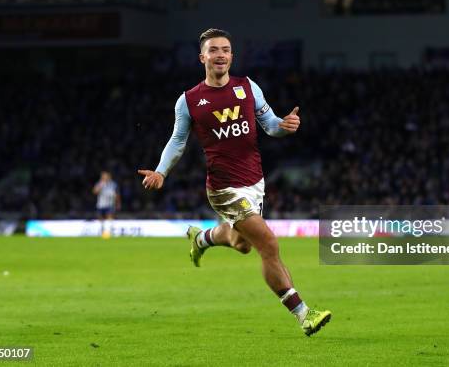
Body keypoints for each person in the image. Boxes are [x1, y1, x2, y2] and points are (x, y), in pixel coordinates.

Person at [138, 28, 331, 336]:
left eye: (225, 50)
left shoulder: (247, 87)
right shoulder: (189, 100)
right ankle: (304, 314)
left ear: (231, 56)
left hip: (255, 182)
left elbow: (269, 125)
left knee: (242, 244)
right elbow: (177, 140)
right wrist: (161, 171)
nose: (220, 55)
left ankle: (201, 239)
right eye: (214, 50)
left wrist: (284, 125)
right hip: (224, 188)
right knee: (268, 243)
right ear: (202, 57)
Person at [92, 171, 120, 237]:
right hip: (101, 204)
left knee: (109, 218)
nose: (105, 177)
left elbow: (117, 194)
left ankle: (109, 232)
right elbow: (95, 192)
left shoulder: (113, 184)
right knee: (100, 219)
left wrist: (118, 203)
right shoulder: (99, 184)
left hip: (110, 204)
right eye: (104, 176)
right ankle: (101, 232)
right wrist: (100, 185)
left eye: (106, 176)